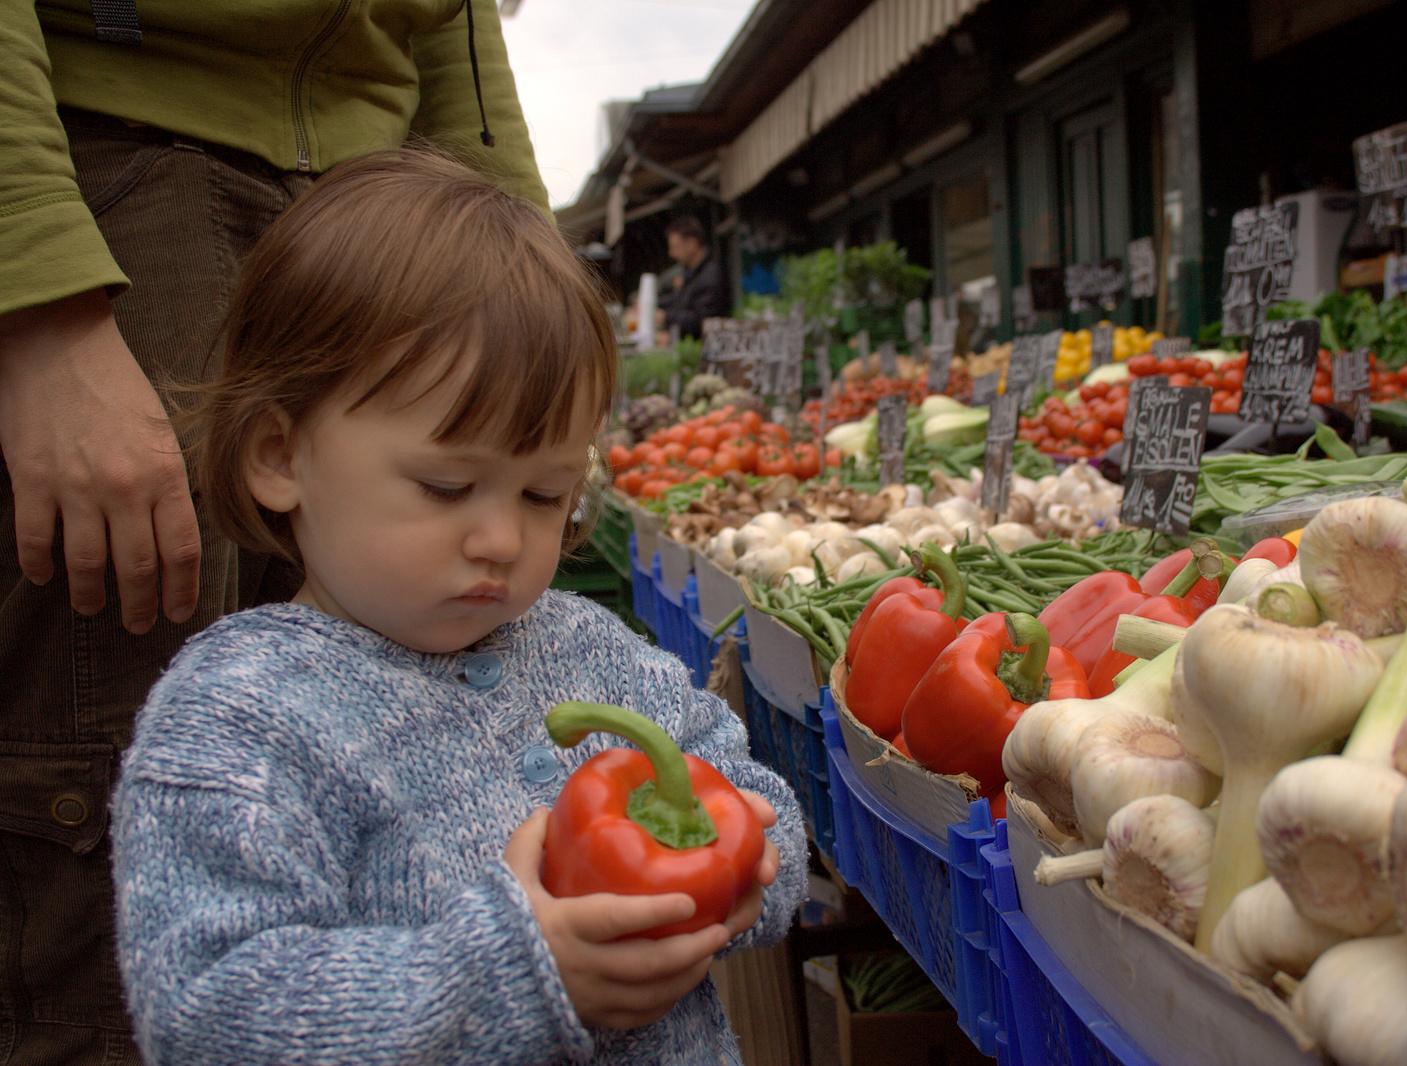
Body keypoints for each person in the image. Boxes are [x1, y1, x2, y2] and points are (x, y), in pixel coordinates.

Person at [110, 149, 806, 1065]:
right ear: (279, 455)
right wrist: (500, 979)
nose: (503, 542)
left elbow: (751, 798)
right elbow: (206, 1013)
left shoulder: (591, 652)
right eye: (446, 487)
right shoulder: (237, 719)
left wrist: (752, 869)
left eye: (545, 495)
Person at [0, 5, 547, 1062]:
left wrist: (530, 293)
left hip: (379, 223)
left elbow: (451, 23)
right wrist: (38, 298)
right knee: (110, 849)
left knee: (375, 814)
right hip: (110, 158)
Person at [655, 214, 730, 340]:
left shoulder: (711, 275)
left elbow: (701, 320)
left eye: (675, 247)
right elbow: (680, 301)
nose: (671, 253)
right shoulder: (691, 272)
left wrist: (665, 317)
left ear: (691, 244)